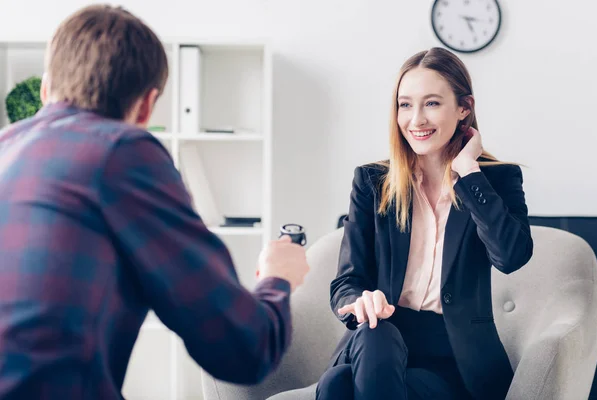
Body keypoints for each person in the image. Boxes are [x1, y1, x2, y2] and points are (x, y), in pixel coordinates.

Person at [0, 5, 309, 399]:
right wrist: (277, 277)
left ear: (45, 89)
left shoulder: (6, 148)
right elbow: (245, 350)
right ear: (147, 106)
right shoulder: (122, 152)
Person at [316, 47, 533, 400]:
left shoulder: (498, 180)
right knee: (375, 335)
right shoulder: (373, 182)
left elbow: (511, 257)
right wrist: (361, 300)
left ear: (464, 108)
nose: (416, 119)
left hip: (452, 359)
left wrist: (468, 172)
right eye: (405, 105)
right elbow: (346, 280)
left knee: (336, 386)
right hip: (378, 339)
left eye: (431, 103)